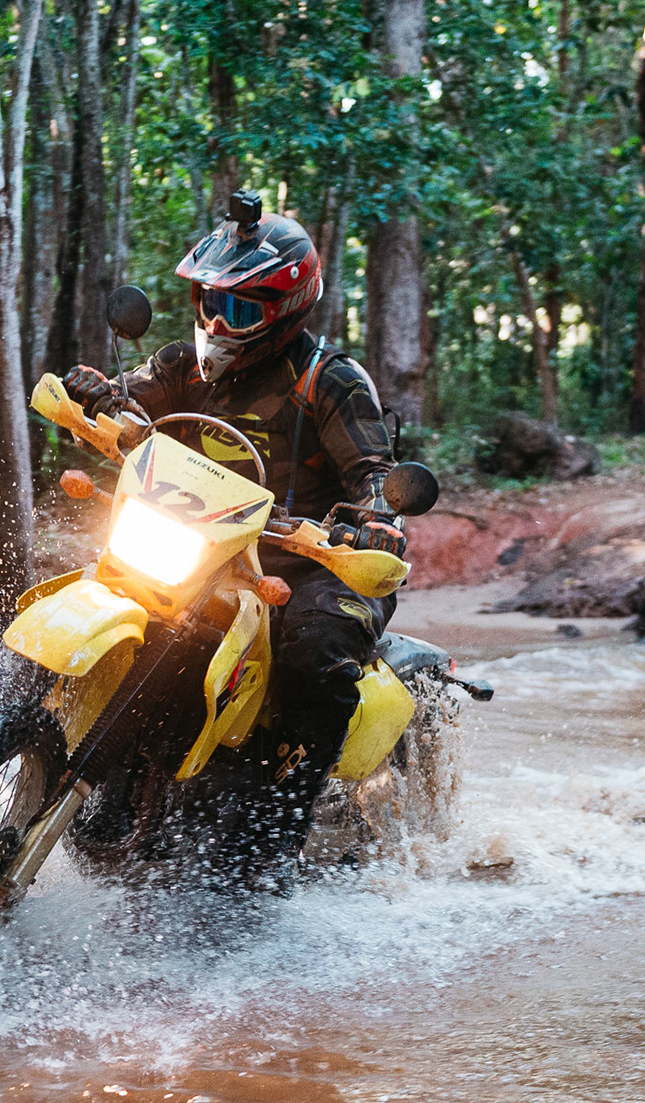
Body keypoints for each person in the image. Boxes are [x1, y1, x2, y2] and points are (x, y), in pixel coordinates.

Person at [59, 189, 405, 865]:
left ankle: (274, 835)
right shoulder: (181, 364)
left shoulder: (329, 380)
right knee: (109, 592)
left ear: (287, 308)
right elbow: (130, 403)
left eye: (240, 308)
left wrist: (376, 519)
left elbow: (373, 470)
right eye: (209, 301)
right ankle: (52, 751)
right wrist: (94, 394)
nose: (218, 322)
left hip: (316, 561)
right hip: (204, 548)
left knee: (315, 652)